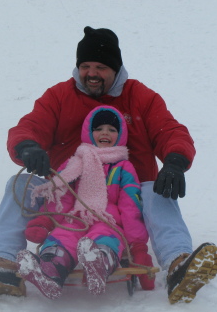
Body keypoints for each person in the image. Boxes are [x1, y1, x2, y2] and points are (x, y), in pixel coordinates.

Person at [0, 26, 217, 304]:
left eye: (100, 67)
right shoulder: (60, 96)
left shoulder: (139, 97)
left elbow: (169, 130)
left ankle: (178, 263)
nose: (91, 73)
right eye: (85, 66)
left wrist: (175, 160)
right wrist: (28, 146)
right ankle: (3, 264)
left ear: (116, 70)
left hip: (126, 194)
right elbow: (30, 125)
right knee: (20, 185)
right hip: (68, 196)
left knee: (157, 190)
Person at [16, 105, 155, 299]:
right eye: (98, 128)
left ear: (121, 135)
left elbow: (130, 206)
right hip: (75, 217)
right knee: (62, 236)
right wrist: (44, 221)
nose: (105, 132)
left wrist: (138, 247)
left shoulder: (124, 167)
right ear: (89, 132)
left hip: (109, 220)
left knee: (104, 237)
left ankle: (99, 264)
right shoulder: (74, 163)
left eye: (112, 129)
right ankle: (50, 270)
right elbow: (61, 196)